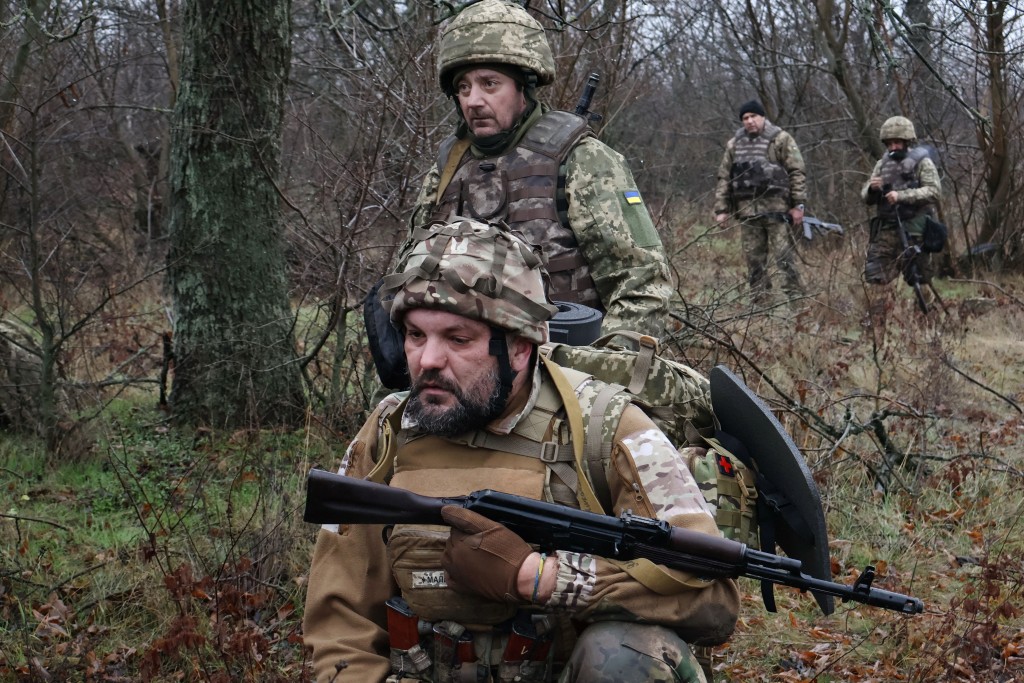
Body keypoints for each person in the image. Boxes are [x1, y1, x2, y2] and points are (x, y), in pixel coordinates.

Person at [303, 218, 740, 683]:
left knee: (626, 653)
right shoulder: (390, 431)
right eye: (415, 336)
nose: (428, 361)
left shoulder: (605, 428)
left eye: (457, 339)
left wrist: (540, 578)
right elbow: (341, 622)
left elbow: (711, 601)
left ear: (519, 348)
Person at [404, 0, 676, 338]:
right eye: (463, 87)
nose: (473, 100)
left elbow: (643, 289)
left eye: (490, 83)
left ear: (524, 87)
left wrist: (597, 375)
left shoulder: (582, 161)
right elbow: (409, 278)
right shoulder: (445, 170)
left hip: (561, 374)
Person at [713, 99, 807, 302]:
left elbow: (796, 172)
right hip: (748, 212)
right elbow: (724, 177)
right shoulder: (734, 144)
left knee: (784, 258)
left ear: (762, 117)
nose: (749, 121)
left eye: (753, 116)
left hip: (777, 211)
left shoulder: (780, 139)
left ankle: (798, 303)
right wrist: (722, 209)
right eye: (745, 118)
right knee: (754, 261)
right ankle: (760, 305)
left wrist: (798, 205)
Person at [861, 116, 941, 286]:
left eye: (897, 142)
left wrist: (902, 196)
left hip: (915, 229)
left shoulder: (922, 163)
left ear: (906, 141)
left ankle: (925, 311)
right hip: (887, 229)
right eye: (889, 143)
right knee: (875, 276)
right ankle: (881, 311)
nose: (893, 147)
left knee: (920, 280)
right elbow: (865, 196)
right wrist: (871, 189)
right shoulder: (881, 164)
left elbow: (934, 191)